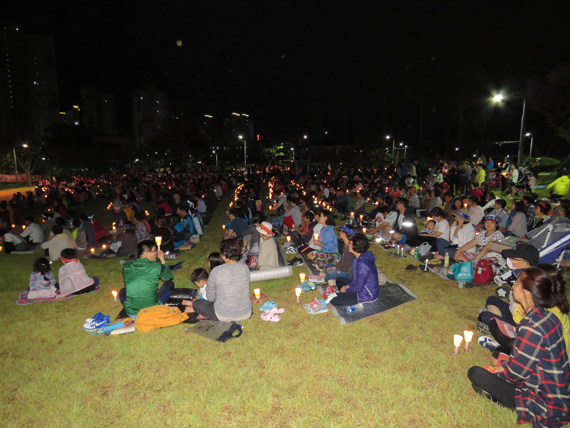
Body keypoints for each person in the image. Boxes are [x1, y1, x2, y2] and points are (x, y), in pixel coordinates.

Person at [467, 267, 570, 427]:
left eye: (516, 284)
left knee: (476, 373)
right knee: (495, 367)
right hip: (560, 394)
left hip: (543, 402)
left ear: (527, 292)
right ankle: (497, 393)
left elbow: (515, 374)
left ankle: (514, 404)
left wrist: (499, 371)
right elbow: (528, 361)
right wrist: (502, 367)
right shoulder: (549, 317)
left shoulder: (531, 327)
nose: (513, 286)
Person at [193, 238, 252, 322]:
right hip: (245, 312)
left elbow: (210, 297)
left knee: (196, 304)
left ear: (224, 254)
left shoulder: (216, 271)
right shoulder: (244, 267)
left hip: (223, 315)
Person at [119, 240, 175, 316]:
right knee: (170, 284)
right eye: (154, 251)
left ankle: (135, 307)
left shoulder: (126, 267)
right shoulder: (157, 266)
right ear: (145, 253)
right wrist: (162, 259)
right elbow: (169, 277)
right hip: (152, 308)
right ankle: (156, 304)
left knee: (122, 291)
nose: (157, 253)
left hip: (132, 313)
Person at [329, 233, 381, 307]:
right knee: (339, 279)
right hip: (359, 286)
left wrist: (346, 289)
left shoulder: (363, 264)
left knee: (333, 299)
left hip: (366, 294)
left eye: (350, 244)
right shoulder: (356, 258)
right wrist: (348, 286)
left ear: (356, 248)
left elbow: (359, 287)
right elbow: (355, 280)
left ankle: (345, 294)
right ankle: (345, 294)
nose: (349, 245)